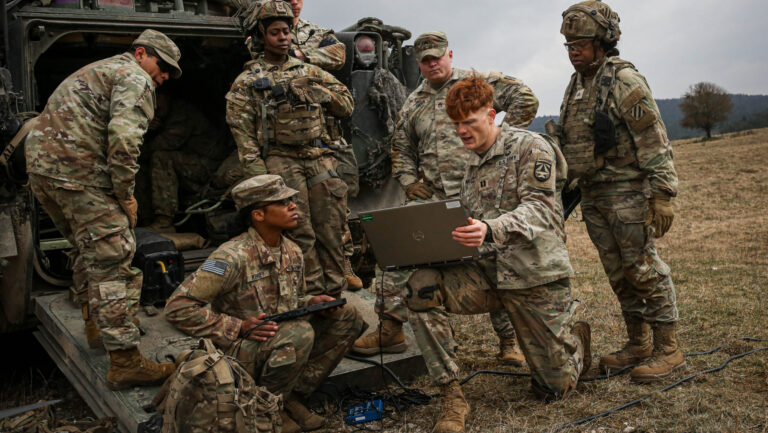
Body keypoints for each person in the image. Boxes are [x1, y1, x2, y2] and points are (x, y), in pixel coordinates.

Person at [407, 77, 591, 433]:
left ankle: (576, 341)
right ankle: (451, 396)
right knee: (421, 285)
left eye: (469, 121)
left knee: (555, 389)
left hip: (534, 276)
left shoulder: (530, 147)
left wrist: (490, 228)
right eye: (456, 124)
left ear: (491, 116)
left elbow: (540, 210)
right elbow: (466, 221)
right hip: (488, 275)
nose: (462, 131)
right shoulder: (469, 165)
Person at [353, 30, 539, 364]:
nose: (433, 64)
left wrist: (501, 141)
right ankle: (390, 328)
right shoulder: (414, 102)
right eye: (425, 60)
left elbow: (525, 98)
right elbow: (401, 147)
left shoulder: (475, 84)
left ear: (449, 55)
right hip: (437, 196)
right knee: (397, 248)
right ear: (418, 63)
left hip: (483, 192)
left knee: (493, 258)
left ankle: (509, 341)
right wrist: (409, 182)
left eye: (437, 57)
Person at [24, 29, 182, 390]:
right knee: (115, 259)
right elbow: (124, 140)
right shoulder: (135, 78)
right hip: (80, 174)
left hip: (45, 172)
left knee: (89, 249)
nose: (164, 76)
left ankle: (96, 325)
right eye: (162, 65)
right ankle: (125, 361)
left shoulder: (101, 70)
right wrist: (126, 195)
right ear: (141, 53)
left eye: (170, 72)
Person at [164, 174, 366, 433]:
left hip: (278, 341)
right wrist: (237, 326)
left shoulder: (291, 250)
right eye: (283, 203)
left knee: (347, 315)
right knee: (299, 333)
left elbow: (289, 301)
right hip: (239, 350)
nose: (293, 206)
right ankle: (263, 406)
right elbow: (178, 308)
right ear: (258, 215)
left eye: (292, 200)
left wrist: (311, 302)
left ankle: (288, 397)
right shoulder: (230, 256)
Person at [551, 1, 683, 382]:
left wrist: (663, 195)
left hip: (627, 194)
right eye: (569, 46)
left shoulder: (624, 80)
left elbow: (653, 138)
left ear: (602, 42)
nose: (573, 52)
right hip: (593, 194)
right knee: (619, 274)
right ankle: (638, 342)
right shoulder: (578, 83)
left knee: (643, 269)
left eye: (580, 45)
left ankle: (669, 349)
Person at [225, 0, 354, 298]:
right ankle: (311, 295)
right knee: (299, 232)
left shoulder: (310, 70)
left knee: (332, 229)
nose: (283, 38)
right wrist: (263, 182)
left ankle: (336, 294)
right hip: (281, 161)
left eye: (286, 32)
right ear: (262, 36)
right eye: (275, 33)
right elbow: (244, 138)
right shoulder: (248, 82)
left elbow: (347, 106)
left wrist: (323, 95)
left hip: (319, 158)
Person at [285, 0, 363, 290]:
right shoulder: (262, 32)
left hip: (322, 137)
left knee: (335, 205)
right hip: (286, 139)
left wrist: (300, 54)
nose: (294, 2)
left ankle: (343, 263)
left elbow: (338, 54)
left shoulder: (315, 33)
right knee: (296, 213)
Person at [146, 93, 231, 232]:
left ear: (166, 96)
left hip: (208, 167)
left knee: (161, 158)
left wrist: (145, 131)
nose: (154, 106)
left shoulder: (183, 113)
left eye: (157, 99)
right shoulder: (169, 113)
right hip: (195, 165)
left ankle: (164, 220)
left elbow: (166, 143)